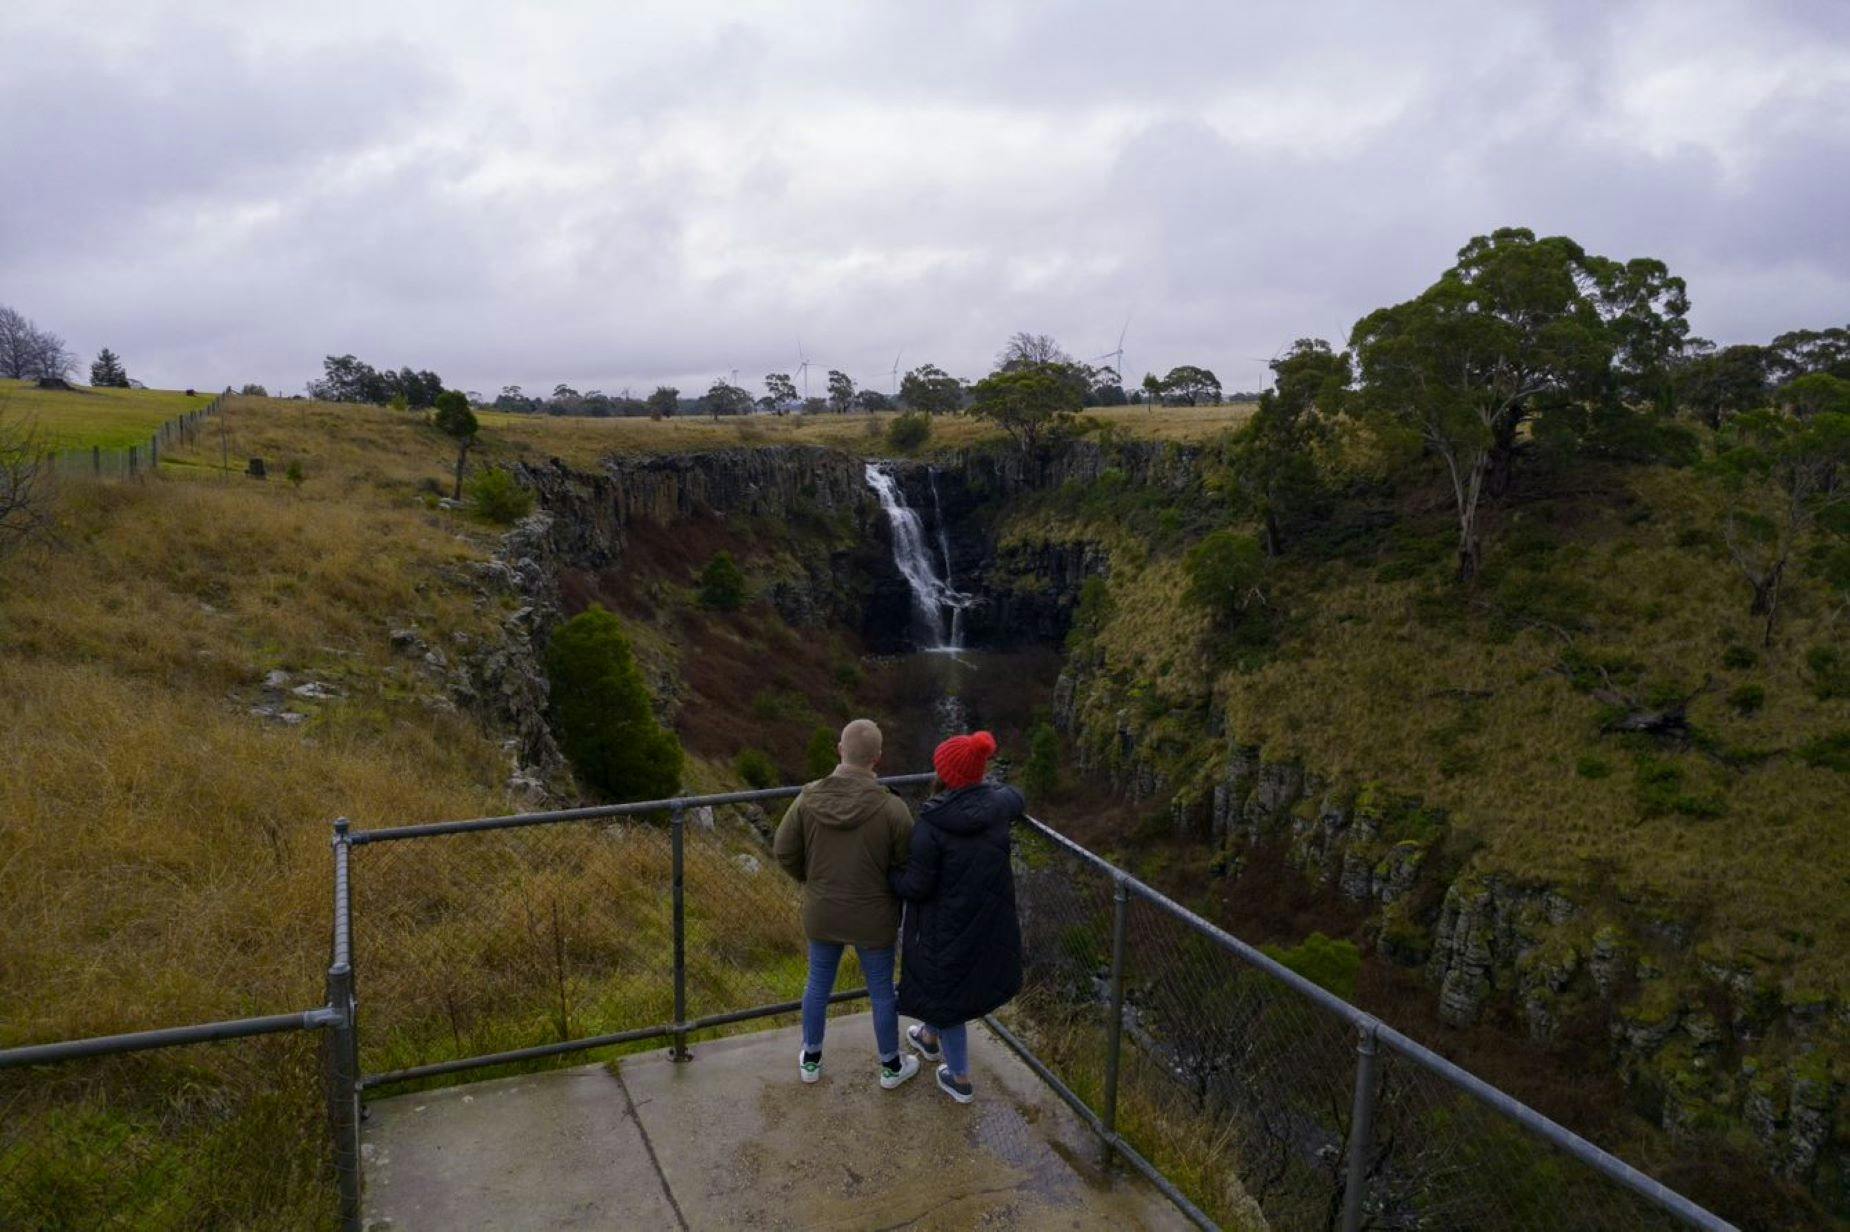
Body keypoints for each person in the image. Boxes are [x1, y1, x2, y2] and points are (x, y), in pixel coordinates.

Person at [773, 718, 920, 1090]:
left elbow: (784, 851)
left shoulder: (807, 799)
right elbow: (906, 862)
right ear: (877, 758)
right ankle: (891, 1067)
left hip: (823, 910)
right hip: (874, 916)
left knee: (817, 984)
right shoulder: (892, 809)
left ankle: (811, 1059)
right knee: (882, 992)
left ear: (840, 750)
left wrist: (812, 880)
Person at [891, 730, 1024, 1104]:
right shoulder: (998, 806)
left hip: (945, 925)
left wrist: (889, 876)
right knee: (951, 984)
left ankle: (959, 1077)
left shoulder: (931, 825)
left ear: (944, 774)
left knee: (946, 991)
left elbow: (916, 887)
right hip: (987, 921)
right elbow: (1017, 796)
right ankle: (928, 1036)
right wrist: (995, 790)